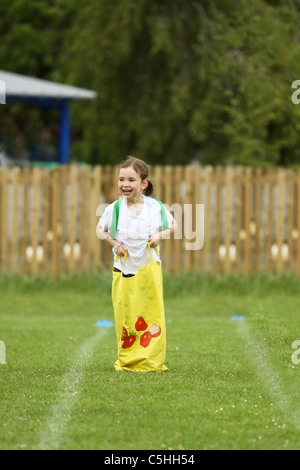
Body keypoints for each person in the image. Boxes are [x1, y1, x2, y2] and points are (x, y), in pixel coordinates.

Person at [96, 156, 176, 371]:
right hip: (124, 270)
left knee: (151, 312)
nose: (125, 184)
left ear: (144, 183)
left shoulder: (155, 207)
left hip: (150, 269)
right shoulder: (114, 209)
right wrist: (115, 245)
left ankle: (151, 360)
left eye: (131, 180)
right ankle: (129, 359)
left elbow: (172, 225)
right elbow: (101, 230)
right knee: (126, 315)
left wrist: (160, 235)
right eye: (121, 179)